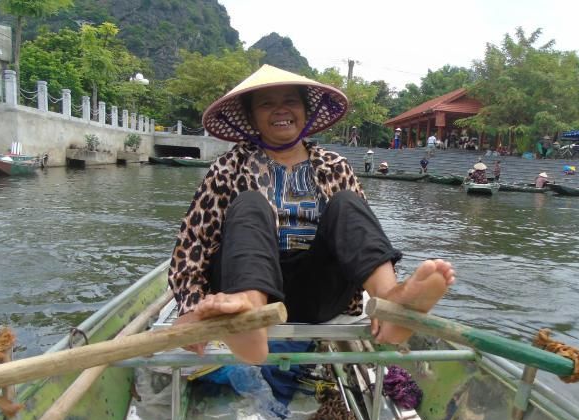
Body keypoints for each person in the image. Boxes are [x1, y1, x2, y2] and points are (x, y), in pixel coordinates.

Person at [169, 64, 455, 364]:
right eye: (267, 104)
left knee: (347, 202)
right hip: (249, 287)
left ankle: (390, 304)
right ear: (252, 117)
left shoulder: (334, 165)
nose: (280, 110)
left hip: (318, 293)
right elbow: (193, 244)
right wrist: (190, 308)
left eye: (290, 101)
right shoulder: (228, 167)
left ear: (305, 111)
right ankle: (248, 315)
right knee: (250, 204)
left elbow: (361, 237)